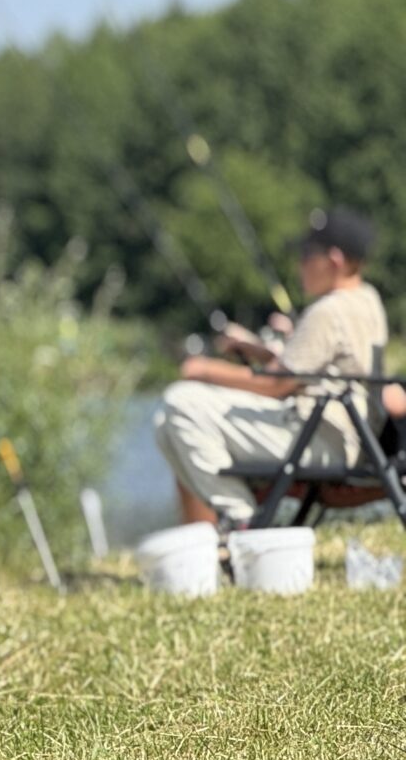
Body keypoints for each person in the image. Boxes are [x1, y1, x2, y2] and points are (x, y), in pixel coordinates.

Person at [156, 207, 391, 528]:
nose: (299, 265)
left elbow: (276, 385)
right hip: (344, 436)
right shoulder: (366, 299)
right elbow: (314, 367)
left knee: (180, 401)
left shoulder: (329, 310)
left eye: (307, 255)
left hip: (320, 438)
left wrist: (204, 369)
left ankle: (242, 521)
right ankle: (234, 520)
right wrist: (259, 351)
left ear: (334, 260)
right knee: (165, 423)